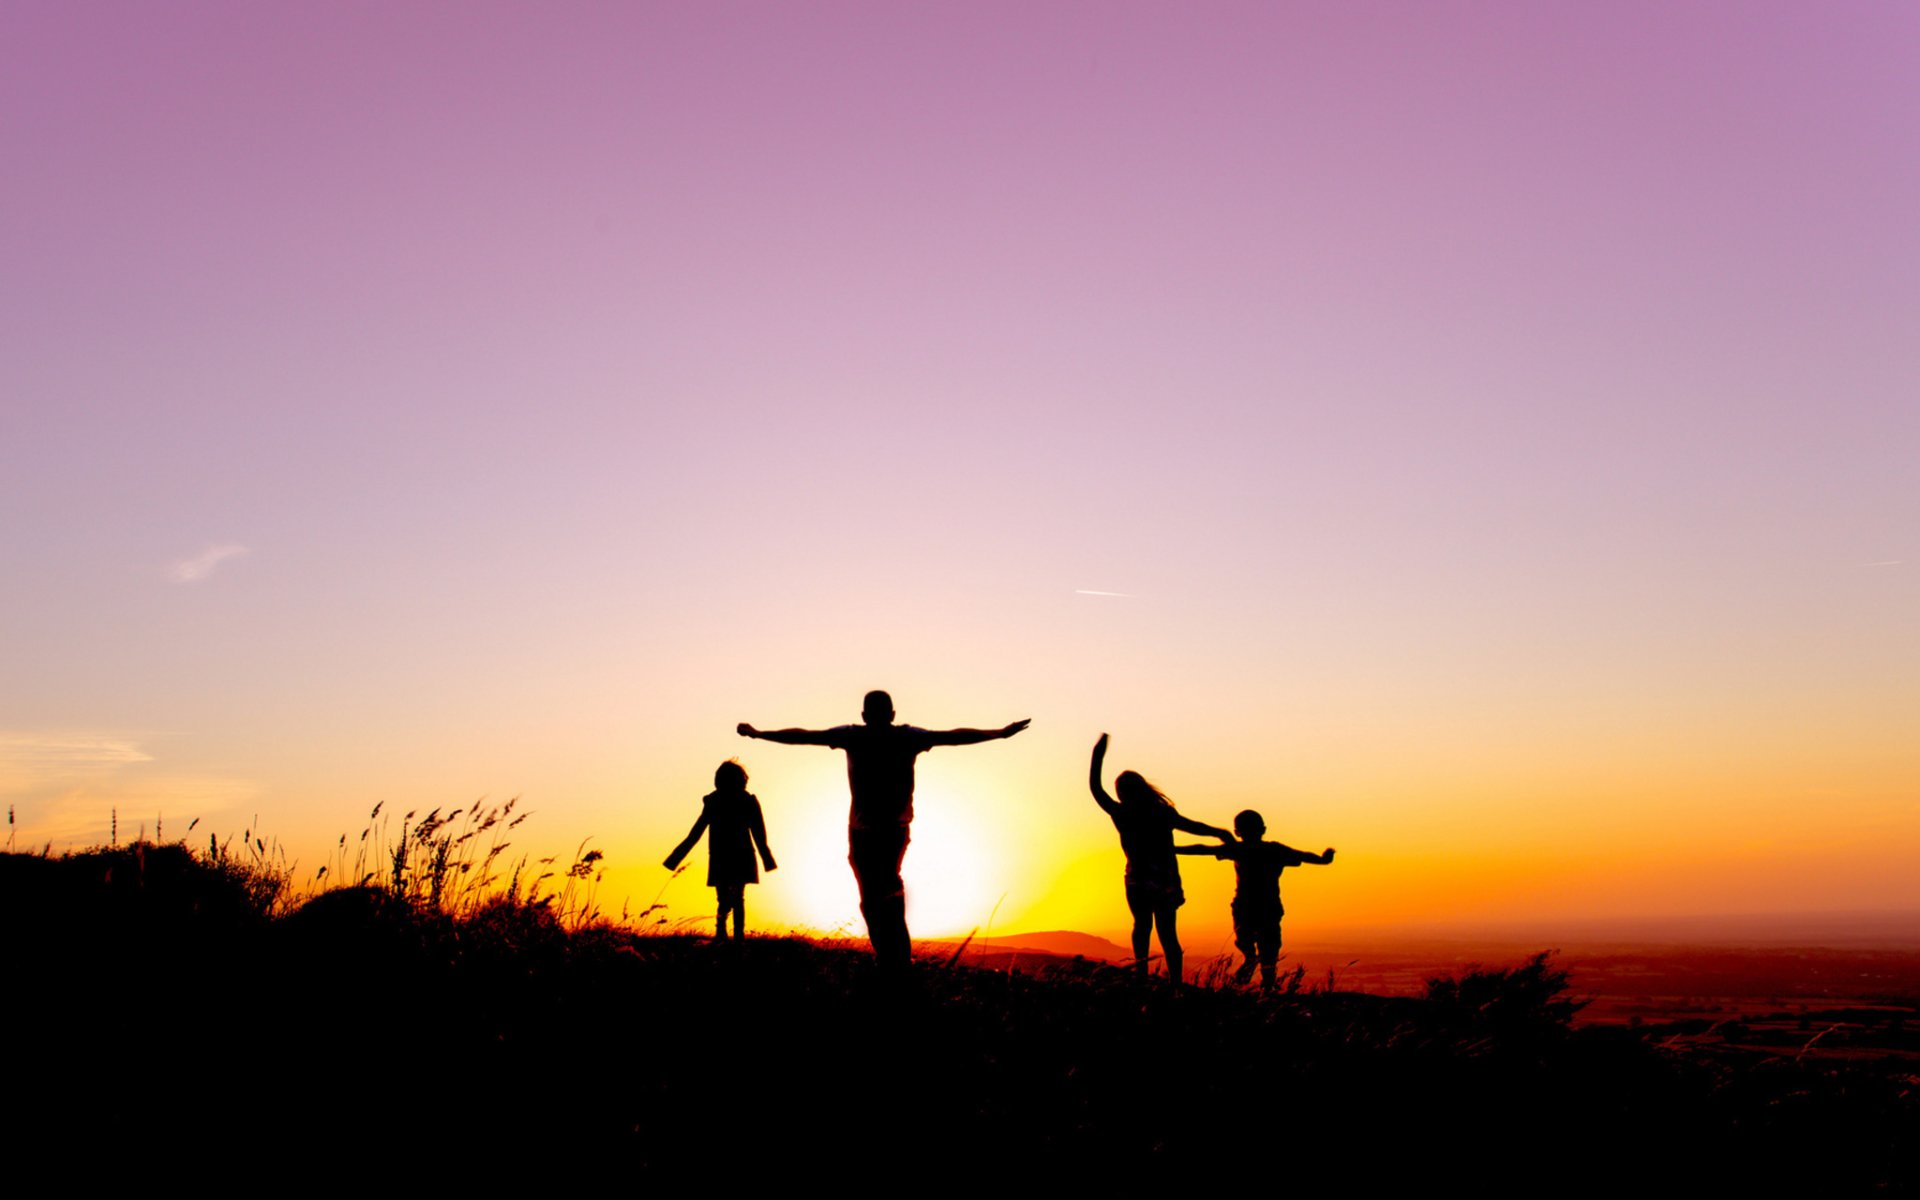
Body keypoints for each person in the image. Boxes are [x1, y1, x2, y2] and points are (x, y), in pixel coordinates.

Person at [738, 690, 1028, 967]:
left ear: (868, 714)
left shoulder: (874, 736)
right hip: (874, 830)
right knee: (873, 897)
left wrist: (759, 733)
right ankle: (890, 957)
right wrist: (998, 734)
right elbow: (952, 737)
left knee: (882, 892)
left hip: (882, 831)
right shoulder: (892, 737)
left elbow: (804, 737)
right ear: (889, 713)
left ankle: (897, 959)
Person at [1088, 733, 1234, 984]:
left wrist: (1097, 756)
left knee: (1143, 926)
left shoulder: (1122, 812)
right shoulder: (1160, 812)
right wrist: (1217, 832)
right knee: (1166, 932)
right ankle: (1174, 982)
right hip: (1163, 878)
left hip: (1138, 879)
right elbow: (1191, 825)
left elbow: (1096, 788)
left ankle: (1143, 977)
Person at [1177, 809, 1334, 990]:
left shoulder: (1240, 849)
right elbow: (1303, 856)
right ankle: (1268, 983)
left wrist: (1173, 849)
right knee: (1270, 947)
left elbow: (1203, 850)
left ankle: (1252, 962)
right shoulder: (1274, 850)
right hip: (1269, 906)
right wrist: (1324, 860)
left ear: (1237, 832)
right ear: (1263, 829)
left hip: (1245, 906)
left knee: (1246, 941)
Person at [663, 759, 778, 941]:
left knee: (725, 897)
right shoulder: (740, 801)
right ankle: (732, 934)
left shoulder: (719, 801)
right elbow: (759, 834)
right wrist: (767, 859)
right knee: (737, 897)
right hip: (737, 855)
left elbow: (696, 833)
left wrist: (674, 858)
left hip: (724, 855)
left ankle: (723, 932)